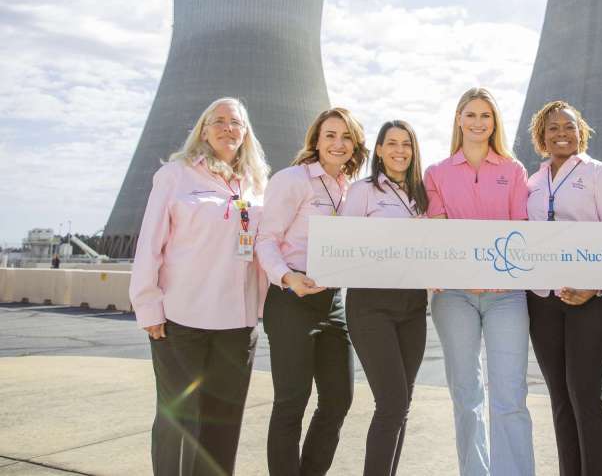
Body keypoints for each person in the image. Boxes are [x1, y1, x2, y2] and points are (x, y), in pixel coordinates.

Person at [130, 97, 269, 476]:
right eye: (218, 121)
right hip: (181, 319)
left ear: (245, 132)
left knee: (223, 422)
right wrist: (148, 307)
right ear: (203, 130)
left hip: (237, 325)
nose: (228, 128)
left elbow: (266, 249)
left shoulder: (255, 184)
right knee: (180, 419)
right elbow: (150, 244)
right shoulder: (176, 175)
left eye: (235, 122)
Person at [424, 87, 534, 476]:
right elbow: (437, 230)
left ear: (495, 122)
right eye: (470, 114)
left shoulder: (513, 170)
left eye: (485, 115)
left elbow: (521, 231)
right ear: (458, 119)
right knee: (467, 396)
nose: (477, 122)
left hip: (506, 296)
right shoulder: (436, 173)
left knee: (510, 395)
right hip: (455, 296)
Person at [255, 108, 367, 476]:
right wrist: (288, 278)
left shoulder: (352, 189)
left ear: (356, 144)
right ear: (316, 140)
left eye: (346, 137)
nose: (338, 144)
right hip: (292, 300)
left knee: (338, 399)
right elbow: (265, 240)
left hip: (332, 301)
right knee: (292, 401)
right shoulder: (293, 180)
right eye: (330, 135)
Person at [525, 100, 602, 476]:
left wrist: (594, 286)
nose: (561, 133)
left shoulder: (601, 174)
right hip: (543, 301)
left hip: (591, 301)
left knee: (585, 395)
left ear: (580, 131)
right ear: (542, 135)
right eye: (553, 128)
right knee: (560, 399)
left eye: (568, 126)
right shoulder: (532, 183)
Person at [341, 120, 430, 476]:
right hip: (371, 305)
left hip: (412, 306)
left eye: (406, 143)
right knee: (391, 403)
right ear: (378, 150)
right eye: (391, 143)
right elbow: (344, 246)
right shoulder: (362, 191)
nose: (399, 150)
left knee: (402, 404)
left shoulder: (422, 193)